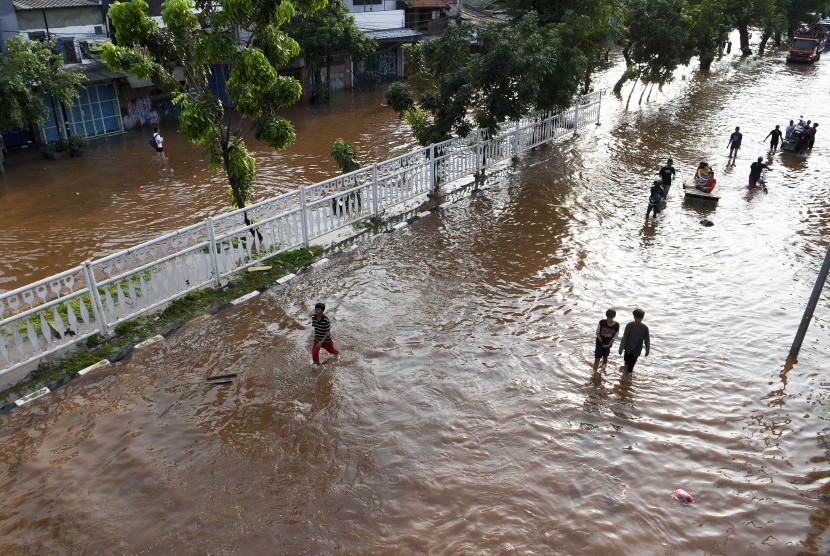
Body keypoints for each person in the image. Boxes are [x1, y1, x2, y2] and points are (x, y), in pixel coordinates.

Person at [618, 308, 650, 373]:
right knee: (626, 361)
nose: (638, 320)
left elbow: (647, 340)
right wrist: (621, 348)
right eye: (636, 318)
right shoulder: (629, 325)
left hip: (636, 350)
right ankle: (624, 378)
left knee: (631, 367)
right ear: (634, 317)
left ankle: (628, 377)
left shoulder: (645, 328)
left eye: (639, 318)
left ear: (642, 318)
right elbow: (625, 337)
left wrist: (647, 350)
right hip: (628, 349)